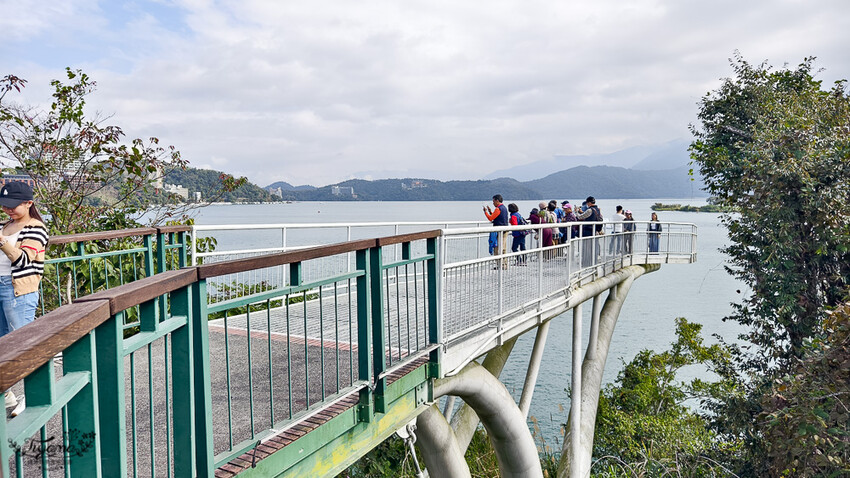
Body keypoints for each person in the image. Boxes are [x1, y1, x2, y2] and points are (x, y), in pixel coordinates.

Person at [0, 181, 49, 412]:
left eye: (13, 205)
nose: (8, 210)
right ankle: (7, 394)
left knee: (24, 343)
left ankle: (35, 391)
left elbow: (24, 260)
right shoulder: (4, 225)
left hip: (18, 290)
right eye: (4, 205)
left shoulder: (35, 228)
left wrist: (2, 243)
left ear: (29, 203)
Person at [483, 194, 509, 267]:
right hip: (505, 229)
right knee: (503, 248)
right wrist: (491, 211)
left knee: (498, 249)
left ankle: (500, 265)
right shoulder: (504, 208)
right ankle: (504, 264)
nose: (493, 203)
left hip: (500, 231)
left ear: (497, 200)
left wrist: (485, 212)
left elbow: (491, 218)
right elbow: (496, 216)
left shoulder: (498, 208)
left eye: (493, 201)